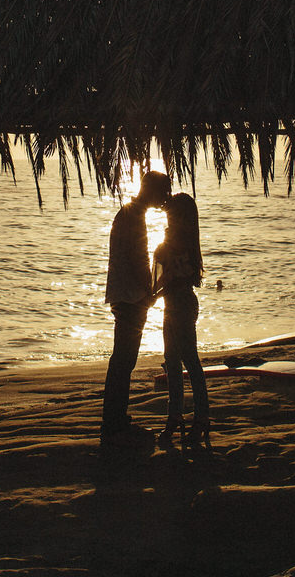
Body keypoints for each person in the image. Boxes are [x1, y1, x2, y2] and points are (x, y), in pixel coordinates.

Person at [101, 171, 171, 444]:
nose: (164, 199)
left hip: (125, 294)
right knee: (123, 361)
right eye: (162, 194)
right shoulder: (133, 218)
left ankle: (116, 419)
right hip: (130, 297)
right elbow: (139, 260)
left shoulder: (129, 214)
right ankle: (114, 422)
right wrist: (150, 291)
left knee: (122, 361)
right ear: (152, 191)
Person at [153, 192, 208, 448]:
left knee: (188, 361)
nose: (168, 218)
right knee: (174, 362)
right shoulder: (180, 242)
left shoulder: (178, 244)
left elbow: (165, 280)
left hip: (181, 305)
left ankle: (198, 418)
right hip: (173, 305)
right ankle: (176, 417)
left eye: (171, 214)